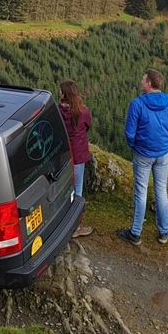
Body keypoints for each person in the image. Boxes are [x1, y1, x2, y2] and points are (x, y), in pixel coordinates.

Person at [117, 69, 168, 246]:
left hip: (143, 154)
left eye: (143, 79)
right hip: (163, 154)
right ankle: (164, 232)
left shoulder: (137, 104)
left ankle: (136, 233)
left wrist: (135, 146)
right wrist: (167, 144)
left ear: (149, 84)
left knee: (141, 192)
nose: (141, 81)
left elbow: (129, 132)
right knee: (161, 191)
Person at [59, 79, 93, 237]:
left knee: (63, 189)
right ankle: (76, 226)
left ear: (64, 94)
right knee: (77, 190)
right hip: (78, 155)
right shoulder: (83, 111)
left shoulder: (58, 111)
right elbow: (88, 126)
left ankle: (62, 223)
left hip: (62, 156)